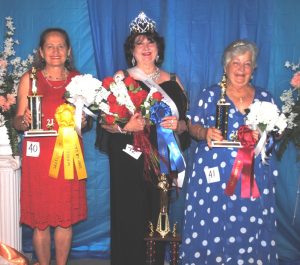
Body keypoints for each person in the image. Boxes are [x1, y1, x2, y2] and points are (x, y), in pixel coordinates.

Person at [98, 12, 190, 265]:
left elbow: (188, 124)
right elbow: (103, 122)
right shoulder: (121, 78)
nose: (146, 48)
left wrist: (179, 124)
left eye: (151, 42)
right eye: (140, 43)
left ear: (158, 48)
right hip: (128, 157)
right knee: (128, 213)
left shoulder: (173, 81)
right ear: (132, 50)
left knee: (157, 212)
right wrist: (125, 125)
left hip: (161, 157)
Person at [180, 40, 278, 264]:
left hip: (252, 178)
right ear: (226, 67)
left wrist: (262, 136)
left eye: (247, 64)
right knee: (210, 223)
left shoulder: (266, 98)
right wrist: (205, 133)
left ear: (253, 69)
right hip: (212, 177)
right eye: (236, 63)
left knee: (250, 222)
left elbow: (276, 136)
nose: (241, 69)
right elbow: (192, 126)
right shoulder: (210, 95)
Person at [13, 28, 88, 265]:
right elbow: (17, 120)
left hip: (69, 156)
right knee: (41, 221)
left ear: (68, 51)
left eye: (61, 46)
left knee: (65, 219)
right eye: (50, 47)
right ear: (41, 52)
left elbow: (83, 122)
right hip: (38, 160)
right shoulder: (29, 78)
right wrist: (22, 121)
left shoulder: (79, 80)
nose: (55, 51)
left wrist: (83, 122)